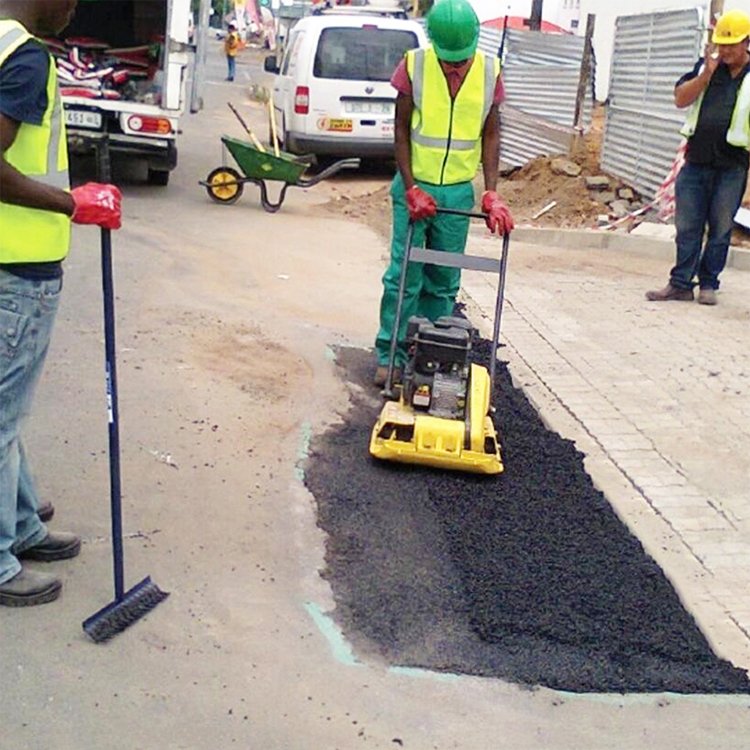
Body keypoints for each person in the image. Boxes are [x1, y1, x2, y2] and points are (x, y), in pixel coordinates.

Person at [0, 0, 122, 607]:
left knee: (7, 408)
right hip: (16, 269)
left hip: (13, 262)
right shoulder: (23, 56)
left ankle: (22, 526)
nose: (74, 6)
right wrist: (74, 203)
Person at [373, 0, 514, 386]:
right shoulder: (415, 65)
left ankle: (432, 356)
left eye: (461, 60)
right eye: (449, 60)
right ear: (434, 43)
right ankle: (392, 353)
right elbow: (401, 128)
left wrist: (491, 193)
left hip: (456, 194)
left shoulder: (488, 71)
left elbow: (492, 132)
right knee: (404, 275)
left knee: (444, 280)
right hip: (416, 189)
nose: (455, 67)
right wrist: (411, 185)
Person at [646, 9, 750, 306]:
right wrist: (705, 73)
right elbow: (680, 99)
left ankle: (708, 283)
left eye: (732, 44)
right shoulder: (706, 69)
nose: (726, 50)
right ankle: (680, 283)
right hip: (696, 162)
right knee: (688, 226)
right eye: (722, 44)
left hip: (733, 166)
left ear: (746, 42)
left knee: (720, 228)